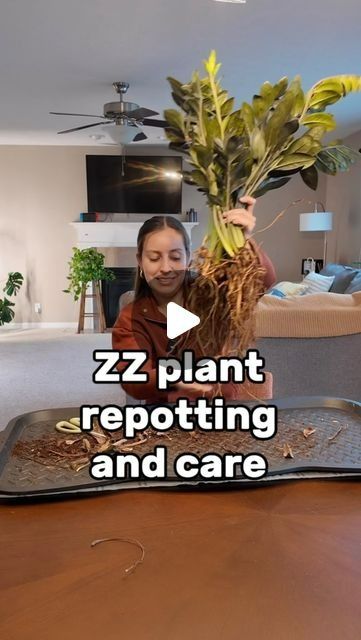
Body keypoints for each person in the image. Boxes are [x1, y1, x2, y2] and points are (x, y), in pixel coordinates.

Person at [112, 196, 276, 403]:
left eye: (175, 257)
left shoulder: (211, 295)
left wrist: (245, 241)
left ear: (188, 257)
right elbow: (133, 379)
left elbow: (262, 282)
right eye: (154, 258)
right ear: (140, 261)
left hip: (221, 410)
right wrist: (178, 378)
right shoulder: (130, 318)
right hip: (166, 418)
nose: (165, 268)